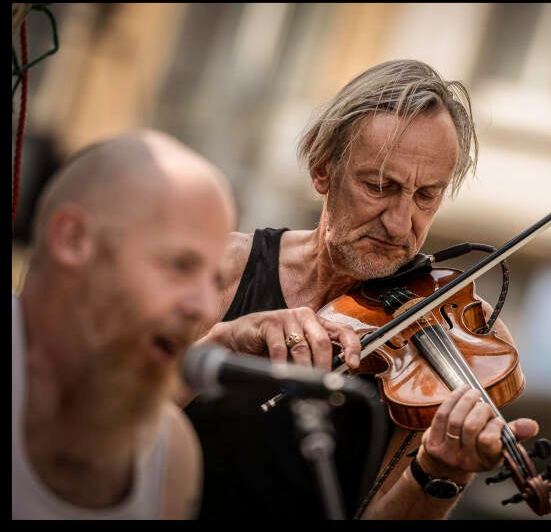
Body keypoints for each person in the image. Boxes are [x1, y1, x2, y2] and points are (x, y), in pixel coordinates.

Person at [182, 59, 541, 520]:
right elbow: (117, 424)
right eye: (379, 186)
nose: (400, 224)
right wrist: (223, 342)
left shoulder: (455, 339)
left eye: (426, 195)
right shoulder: (219, 269)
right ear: (323, 170)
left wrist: (438, 475)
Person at [12, 130, 361, 519]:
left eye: (213, 280)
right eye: (180, 265)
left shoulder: (172, 457)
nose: (204, 306)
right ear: (74, 239)